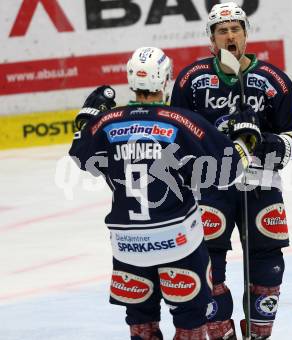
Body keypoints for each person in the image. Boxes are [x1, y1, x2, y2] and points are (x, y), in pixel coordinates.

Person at [69, 47, 248, 340]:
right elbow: (229, 168)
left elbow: (81, 157)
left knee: (141, 322)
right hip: (177, 240)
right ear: (165, 79)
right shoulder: (180, 121)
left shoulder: (107, 122)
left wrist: (86, 121)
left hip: (127, 244)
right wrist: (245, 137)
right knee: (190, 318)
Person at [171, 2, 292, 339]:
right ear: (212, 38)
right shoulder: (191, 80)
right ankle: (220, 332)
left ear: (246, 34)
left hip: (262, 184)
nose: (229, 36)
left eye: (235, 29)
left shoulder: (273, 81)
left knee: (268, 263)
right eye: (222, 30)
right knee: (208, 262)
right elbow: (176, 138)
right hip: (212, 185)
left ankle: (260, 332)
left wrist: (265, 143)